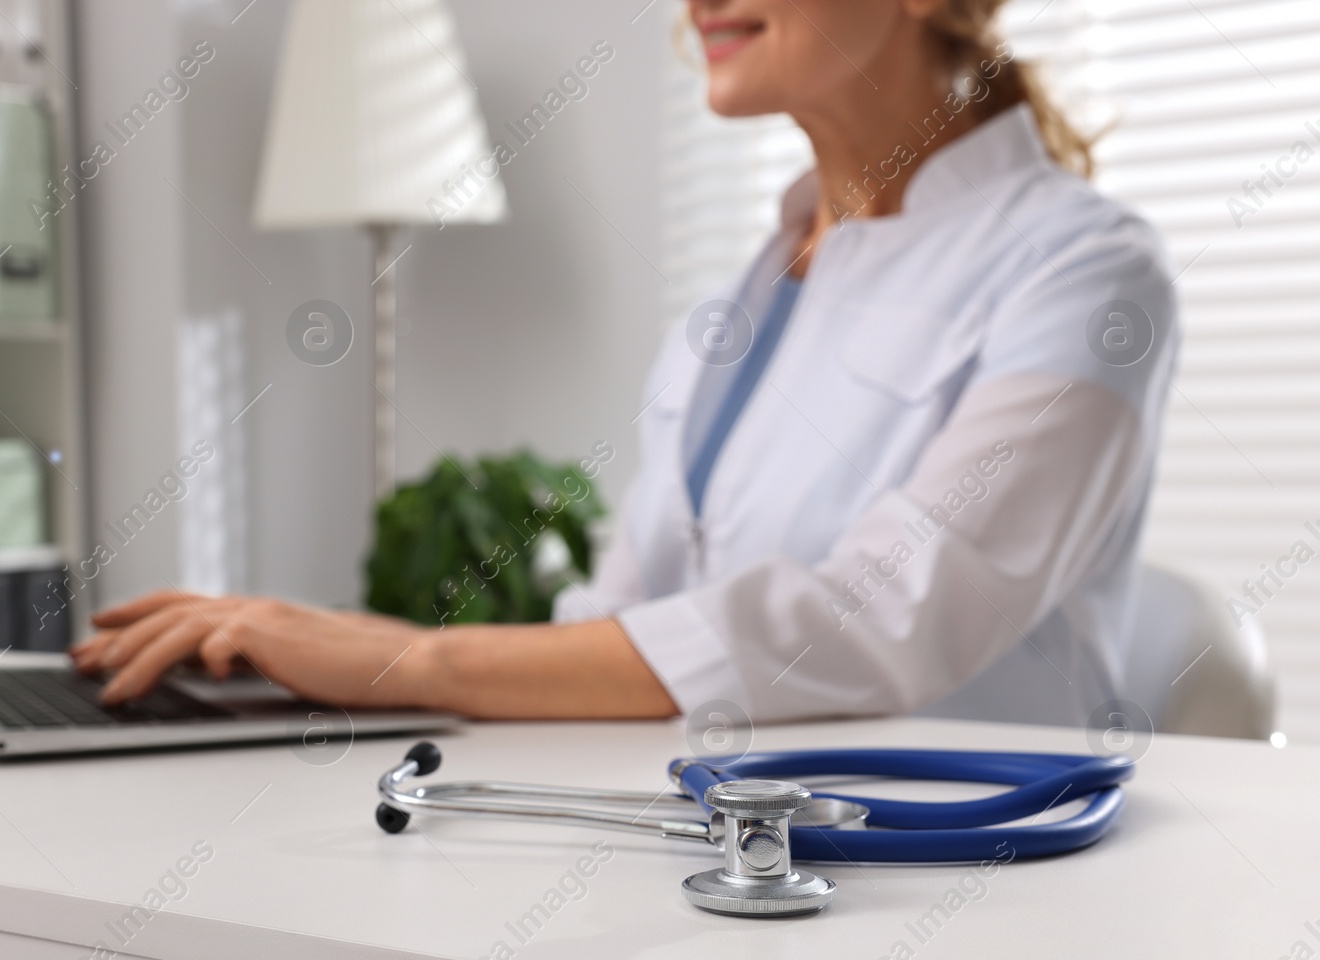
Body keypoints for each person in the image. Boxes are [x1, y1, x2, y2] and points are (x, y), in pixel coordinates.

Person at [73, 0, 1177, 729]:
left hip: (970, 890)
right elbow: (628, 607)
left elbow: (880, 621)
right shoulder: (750, 289)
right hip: (720, 857)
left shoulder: (1084, 271)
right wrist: (364, 670)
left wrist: (412, 663)